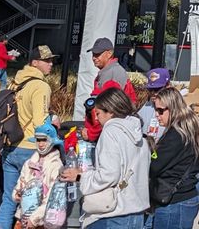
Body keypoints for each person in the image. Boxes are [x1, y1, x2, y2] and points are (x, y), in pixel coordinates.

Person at [60, 86, 150, 229]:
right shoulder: (139, 134)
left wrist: (79, 177)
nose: (96, 118)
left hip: (113, 214)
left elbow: (109, 175)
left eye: (98, 113)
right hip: (136, 214)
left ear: (111, 111)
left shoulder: (111, 131)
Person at [0, 45, 56, 229]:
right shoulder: (40, 86)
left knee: (9, 199)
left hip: (10, 148)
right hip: (29, 151)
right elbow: (40, 122)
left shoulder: (16, 83)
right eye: (46, 61)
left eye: (51, 60)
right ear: (34, 63)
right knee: (32, 204)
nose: (51, 64)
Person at [148, 86, 199, 229]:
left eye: (160, 110)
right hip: (180, 198)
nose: (156, 115)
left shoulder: (176, 135)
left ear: (173, 108)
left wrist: (151, 153)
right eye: (155, 109)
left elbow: (154, 166)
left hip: (176, 201)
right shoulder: (185, 130)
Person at [12, 120, 65, 228]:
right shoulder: (29, 163)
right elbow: (20, 183)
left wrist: (34, 219)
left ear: (52, 141)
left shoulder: (56, 166)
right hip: (23, 218)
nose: (41, 144)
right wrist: (17, 194)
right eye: (38, 140)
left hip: (43, 222)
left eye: (44, 140)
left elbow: (53, 198)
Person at [85, 38, 138, 142]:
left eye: (98, 54)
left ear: (109, 53)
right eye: (93, 54)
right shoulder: (108, 72)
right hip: (110, 131)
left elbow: (108, 111)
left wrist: (91, 134)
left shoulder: (112, 74)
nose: (94, 58)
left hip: (111, 133)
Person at [139, 69, 173, 137]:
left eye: (158, 89)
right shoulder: (146, 106)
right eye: (150, 89)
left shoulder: (176, 108)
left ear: (168, 86)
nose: (154, 93)